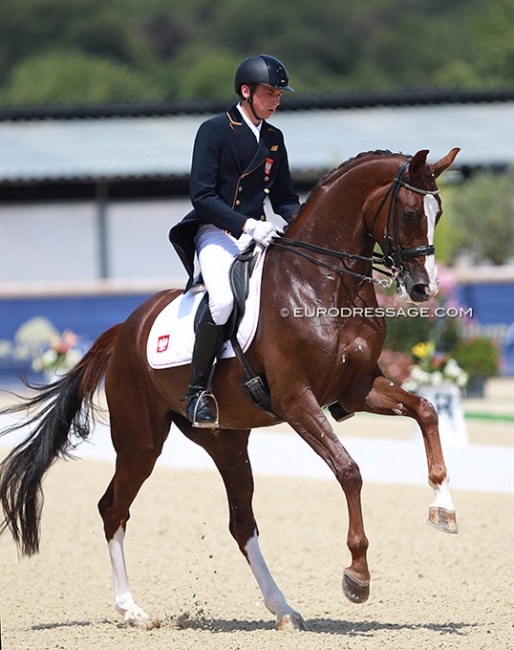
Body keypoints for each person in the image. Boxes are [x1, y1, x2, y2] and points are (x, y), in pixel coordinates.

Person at [169, 54, 300, 427]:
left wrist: (306, 228)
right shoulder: (215, 130)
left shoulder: (274, 138)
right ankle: (196, 393)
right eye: (270, 93)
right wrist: (247, 225)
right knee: (224, 300)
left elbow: (286, 198)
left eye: (279, 95)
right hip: (217, 232)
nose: (276, 101)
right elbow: (203, 197)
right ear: (246, 91)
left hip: (258, 232)